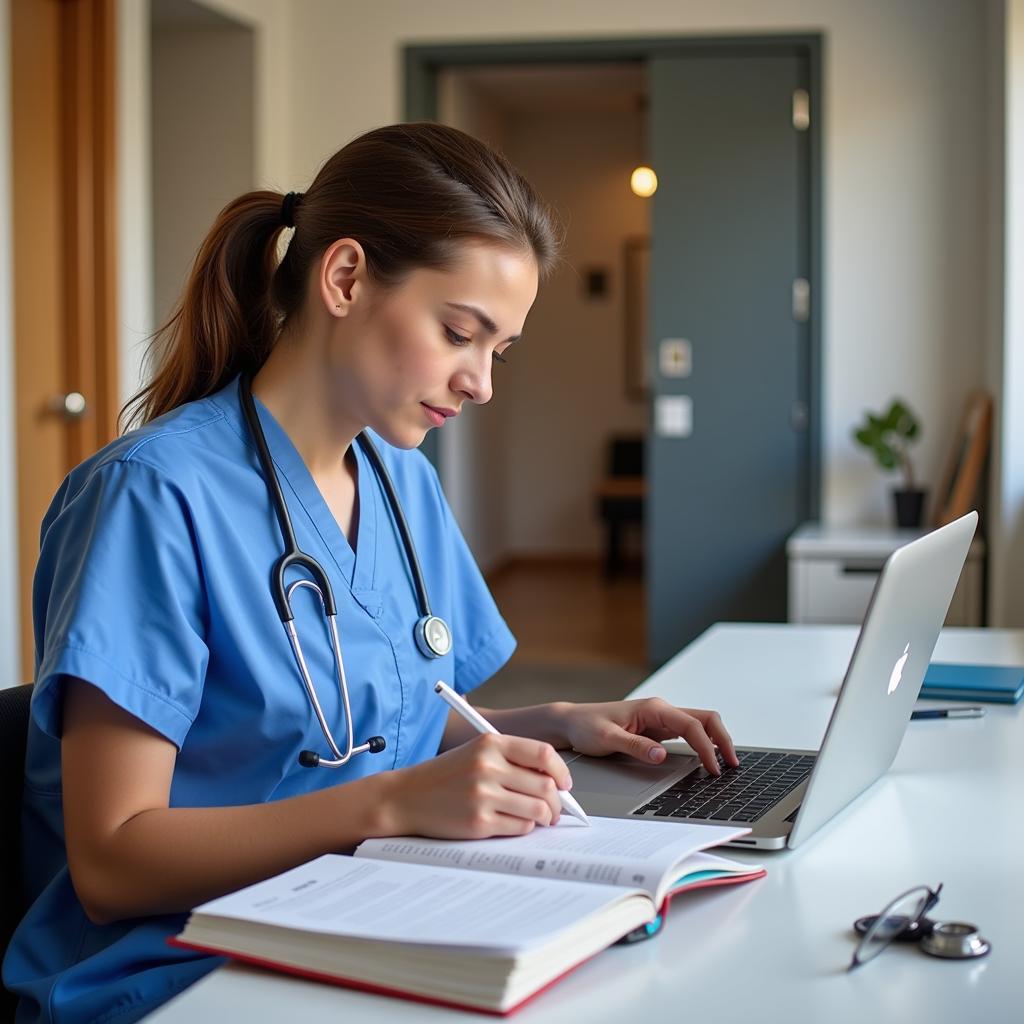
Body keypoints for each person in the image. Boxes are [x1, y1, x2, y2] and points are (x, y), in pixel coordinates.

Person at [2, 123, 738, 1024]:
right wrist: (391, 806)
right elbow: (114, 862)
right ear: (345, 278)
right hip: (177, 971)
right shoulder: (149, 498)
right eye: (459, 333)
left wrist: (560, 723)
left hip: (357, 918)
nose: (480, 383)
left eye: (498, 351)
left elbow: (372, 732)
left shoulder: (400, 483)